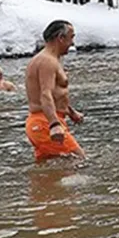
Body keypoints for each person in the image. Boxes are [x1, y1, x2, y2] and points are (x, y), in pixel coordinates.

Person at [24, 20, 84, 162]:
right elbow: (46, 94)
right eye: (71, 37)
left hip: (41, 123)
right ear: (61, 38)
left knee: (48, 170)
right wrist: (54, 124)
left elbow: (55, 94)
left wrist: (70, 112)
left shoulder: (48, 59)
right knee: (80, 160)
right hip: (44, 122)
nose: (72, 43)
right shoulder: (47, 61)